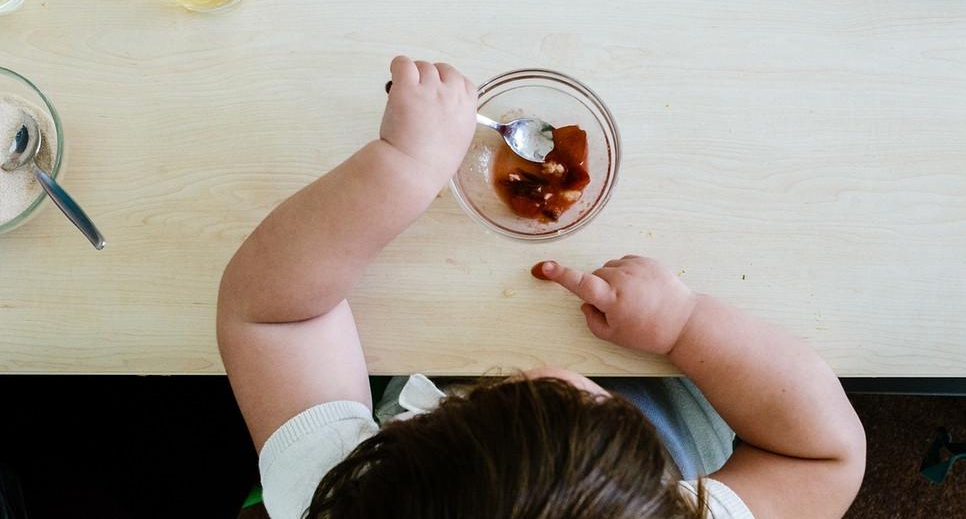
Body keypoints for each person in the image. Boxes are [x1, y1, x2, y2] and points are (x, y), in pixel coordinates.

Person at [216, 56, 866, 519]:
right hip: (703, 402)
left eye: (484, 398)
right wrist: (687, 326)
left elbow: (274, 316)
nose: (551, 369)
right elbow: (823, 457)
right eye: (585, 402)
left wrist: (403, 167)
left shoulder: (334, 498)